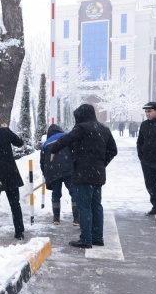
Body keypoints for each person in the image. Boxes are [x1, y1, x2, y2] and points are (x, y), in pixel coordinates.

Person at [48, 104, 117, 249]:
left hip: (83, 173)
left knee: (84, 206)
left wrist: (53, 149)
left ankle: (86, 239)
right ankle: (98, 237)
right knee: (96, 205)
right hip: (97, 174)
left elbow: (66, 139)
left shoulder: (82, 128)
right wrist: (101, 163)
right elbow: (113, 150)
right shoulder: (103, 129)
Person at [39, 124, 78, 225]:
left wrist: (46, 176)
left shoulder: (45, 144)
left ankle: (56, 219)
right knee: (74, 192)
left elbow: (42, 163)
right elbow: (76, 151)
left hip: (53, 172)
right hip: (68, 169)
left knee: (56, 194)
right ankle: (76, 219)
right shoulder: (67, 137)